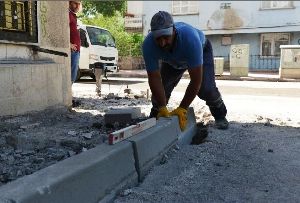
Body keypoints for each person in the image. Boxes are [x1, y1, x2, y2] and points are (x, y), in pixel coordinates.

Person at [142, 11, 229, 131]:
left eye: (166, 38)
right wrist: (162, 107)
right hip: (172, 60)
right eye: (158, 39)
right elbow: (154, 77)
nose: (162, 43)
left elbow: (195, 80)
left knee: (206, 89)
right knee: (162, 88)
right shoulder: (148, 45)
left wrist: (182, 109)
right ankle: (157, 113)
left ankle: (220, 114)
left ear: (173, 31)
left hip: (201, 51)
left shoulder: (190, 39)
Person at [69, 0, 81, 83]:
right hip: (73, 51)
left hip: (76, 51)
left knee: (72, 76)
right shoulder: (68, 14)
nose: (77, 6)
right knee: (71, 77)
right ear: (69, 3)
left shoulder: (73, 15)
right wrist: (69, 44)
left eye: (79, 4)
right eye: (75, 3)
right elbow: (62, 30)